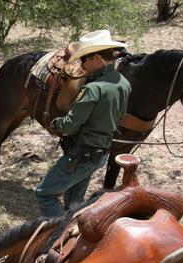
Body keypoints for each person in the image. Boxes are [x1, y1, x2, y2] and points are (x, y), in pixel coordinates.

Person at [35, 30, 131, 217]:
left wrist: (56, 124)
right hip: (99, 153)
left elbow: (71, 125)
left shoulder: (93, 89)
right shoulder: (123, 83)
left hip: (80, 155)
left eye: (84, 60)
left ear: (96, 58)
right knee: (74, 202)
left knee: (44, 193)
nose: (82, 65)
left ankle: (59, 233)